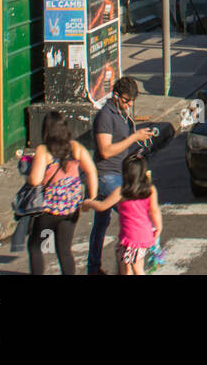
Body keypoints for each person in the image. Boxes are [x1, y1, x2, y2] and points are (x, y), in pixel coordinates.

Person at [86, 77, 155, 275]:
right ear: (116, 96)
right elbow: (106, 150)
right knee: (131, 213)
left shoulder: (122, 114)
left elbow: (121, 146)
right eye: (126, 100)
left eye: (132, 100)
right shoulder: (105, 117)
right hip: (107, 175)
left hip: (120, 172)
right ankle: (131, 260)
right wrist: (134, 137)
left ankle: (94, 267)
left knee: (101, 224)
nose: (130, 104)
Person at [28, 111, 98, 275]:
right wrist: (91, 198)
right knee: (64, 250)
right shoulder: (75, 147)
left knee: (35, 246)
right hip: (71, 209)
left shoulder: (43, 150)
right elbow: (91, 171)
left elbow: (35, 180)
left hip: (48, 210)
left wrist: (28, 174)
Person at [84, 154, 161, 275]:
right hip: (144, 236)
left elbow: (102, 206)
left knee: (133, 268)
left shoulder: (121, 191)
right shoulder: (150, 190)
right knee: (135, 265)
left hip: (129, 238)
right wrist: (158, 227)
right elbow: (154, 210)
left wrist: (89, 202)